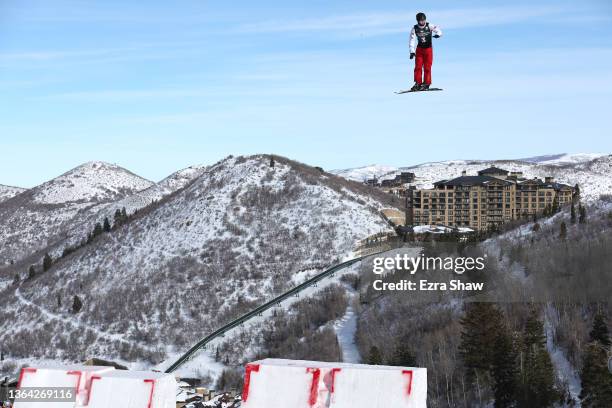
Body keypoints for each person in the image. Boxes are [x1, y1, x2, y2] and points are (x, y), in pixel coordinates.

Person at [409, 12, 442, 91]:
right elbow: (411, 40)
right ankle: (418, 83)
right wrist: (412, 51)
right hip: (419, 50)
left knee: (427, 67)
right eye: (421, 21)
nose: (423, 22)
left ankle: (426, 83)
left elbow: (438, 30)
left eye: (424, 20)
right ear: (418, 21)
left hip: (428, 49)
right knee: (418, 67)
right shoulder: (415, 28)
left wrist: (438, 34)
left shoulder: (429, 25)